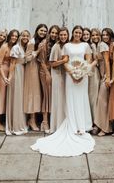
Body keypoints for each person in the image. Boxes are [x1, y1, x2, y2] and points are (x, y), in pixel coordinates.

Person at [31, 25, 95, 157]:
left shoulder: (85, 45)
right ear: (73, 33)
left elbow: (88, 61)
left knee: (82, 98)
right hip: (70, 77)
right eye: (75, 32)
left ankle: (82, 125)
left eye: (79, 32)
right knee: (70, 99)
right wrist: (72, 73)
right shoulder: (67, 46)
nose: (77, 34)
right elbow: (66, 62)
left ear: (82, 33)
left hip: (83, 76)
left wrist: (82, 73)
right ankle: (72, 124)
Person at [0, 29, 19, 131]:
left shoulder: (14, 47)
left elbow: (13, 64)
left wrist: (9, 77)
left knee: (4, 98)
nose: (14, 37)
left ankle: (1, 121)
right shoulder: (4, 47)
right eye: (12, 36)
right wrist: (4, 77)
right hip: (0, 74)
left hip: (7, 74)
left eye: (16, 36)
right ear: (9, 36)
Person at [5, 30, 31, 135]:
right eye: (23, 35)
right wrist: (10, 77)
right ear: (20, 37)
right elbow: (12, 63)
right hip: (17, 73)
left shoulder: (24, 48)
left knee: (20, 98)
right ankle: (15, 125)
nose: (25, 37)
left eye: (27, 36)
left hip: (23, 72)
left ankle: (21, 121)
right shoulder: (16, 48)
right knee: (16, 98)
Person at [23, 24, 46, 131]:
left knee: (37, 93)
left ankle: (34, 118)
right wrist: (37, 51)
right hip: (31, 69)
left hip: (37, 69)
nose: (43, 33)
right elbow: (26, 58)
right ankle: (31, 120)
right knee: (32, 93)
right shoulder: (32, 42)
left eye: (45, 31)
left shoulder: (41, 42)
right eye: (41, 30)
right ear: (37, 30)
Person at [37, 25, 59, 133]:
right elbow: (41, 61)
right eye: (52, 32)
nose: (54, 35)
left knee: (53, 96)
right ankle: (44, 122)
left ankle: (52, 120)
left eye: (56, 33)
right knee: (46, 96)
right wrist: (47, 74)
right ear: (49, 33)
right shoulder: (43, 44)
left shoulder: (57, 44)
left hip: (54, 72)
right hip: (45, 72)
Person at [92, 28, 111, 136]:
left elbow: (107, 61)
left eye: (97, 35)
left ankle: (105, 128)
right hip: (101, 76)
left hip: (105, 76)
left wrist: (107, 77)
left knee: (103, 102)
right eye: (93, 35)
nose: (95, 37)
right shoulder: (97, 46)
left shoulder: (103, 45)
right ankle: (101, 126)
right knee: (102, 102)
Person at [49, 27, 69, 133]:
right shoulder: (56, 47)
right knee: (58, 99)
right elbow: (52, 64)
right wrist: (63, 61)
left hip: (67, 76)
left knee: (65, 99)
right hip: (57, 75)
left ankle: (66, 122)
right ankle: (58, 124)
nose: (63, 37)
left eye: (65, 35)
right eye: (61, 35)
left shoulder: (68, 45)